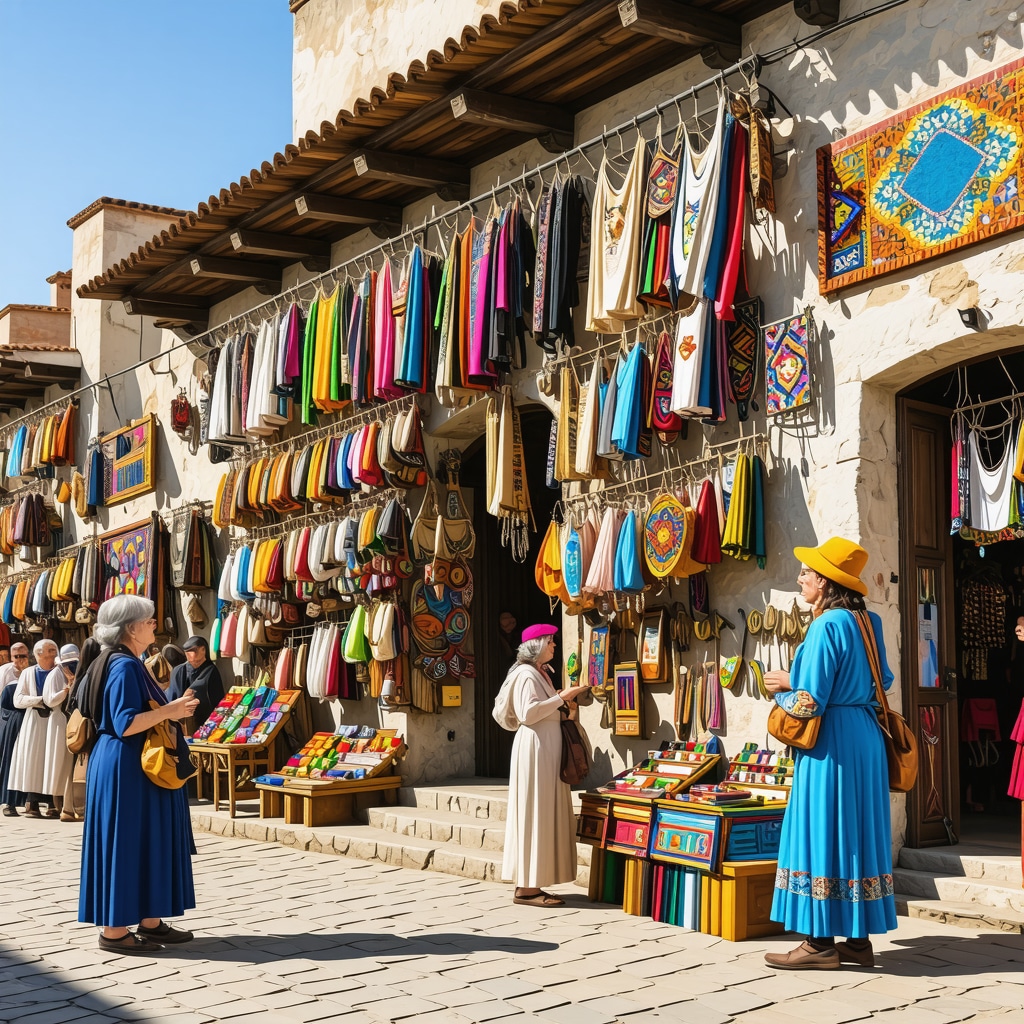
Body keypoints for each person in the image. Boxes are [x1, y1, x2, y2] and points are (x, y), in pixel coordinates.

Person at [763, 538, 897, 970]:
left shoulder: (826, 625)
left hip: (831, 743)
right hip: (865, 737)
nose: (800, 578)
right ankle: (857, 942)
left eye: (806, 572)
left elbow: (809, 702)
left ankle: (818, 942)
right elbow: (884, 681)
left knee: (821, 830)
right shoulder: (869, 621)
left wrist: (781, 688)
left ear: (824, 581)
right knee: (856, 834)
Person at [78, 595, 199, 955]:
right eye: (148, 621)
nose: (154, 625)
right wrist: (171, 710)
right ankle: (115, 932)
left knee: (143, 840)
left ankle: (149, 920)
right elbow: (125, 723)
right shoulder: (124, 666)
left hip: (129, 765)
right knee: (127, 844)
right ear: (131, 628)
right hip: (128, 767)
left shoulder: (120, 661)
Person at [501, 623, 589, 907]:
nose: (554, 645)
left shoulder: (540, 672)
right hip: (535, 748)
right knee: (535, 811)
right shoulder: (526, 674)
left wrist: (563, 702)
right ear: (537, 645)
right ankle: (527, 888)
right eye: (550, 641)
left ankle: (532, 883)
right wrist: (561, 697)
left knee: (543, 811)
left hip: (546, 748)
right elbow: (527, 714)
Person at [8, 639, 60, 817]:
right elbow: (18, 700)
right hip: (34, 721)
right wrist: (39, 700)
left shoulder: (61, 671)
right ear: (38, 654)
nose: (53, 653)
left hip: (55, 720)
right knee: (32, 760)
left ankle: (53, 802)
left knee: (53, 759)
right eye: (50, 650)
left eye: (54, 650)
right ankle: (33, 802)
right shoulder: (28, 673)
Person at [62, 638, 100, 822]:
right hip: (90, 730)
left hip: (77, 730)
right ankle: (82, 809)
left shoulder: (78, 677)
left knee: (75, 770)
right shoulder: (94, 676)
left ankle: (68, 809)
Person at [39, 643, 79, 821]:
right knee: (58, 762)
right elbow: (49, 700)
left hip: (71, 721)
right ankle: (58, 803)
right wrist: (67, 688)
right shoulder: (55, 674)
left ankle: (69, 803)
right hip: (59, 721)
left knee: (69, 763)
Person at [166, 635, 224, 736]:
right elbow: (171, 697)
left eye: (195, 651)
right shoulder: (178, 670)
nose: (192, 657)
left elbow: (217, 699)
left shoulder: (210, 670)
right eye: (188, 652)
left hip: (206, 725)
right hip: (179, 726)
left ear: (203, 650)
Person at [0, 642, 29, 816]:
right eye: (16, 656)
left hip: (30, 720)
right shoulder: (4, 672)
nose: (19, 660)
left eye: (23, 656)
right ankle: (8, 801)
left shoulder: (31, 672)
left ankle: (29, 801)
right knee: (9, 760)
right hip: (9, 720)